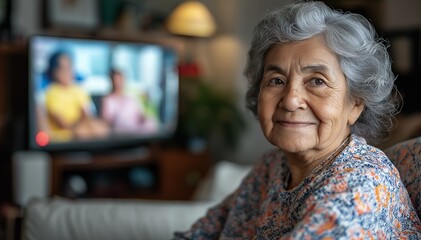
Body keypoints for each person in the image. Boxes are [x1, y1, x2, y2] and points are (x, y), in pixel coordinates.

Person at [174, 1, 421, 239]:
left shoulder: (361, 185)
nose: (291, 100)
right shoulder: (273, 166)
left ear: (355, 104)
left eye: (317, 81)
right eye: (276, 80)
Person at [44, 50, 108, 141]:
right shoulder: (51, 92)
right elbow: (63, 124)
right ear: (54, 72)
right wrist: (82, 127)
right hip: (64, 137)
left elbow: (86, 114)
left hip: (82, 130)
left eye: (69, 67)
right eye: (62, 68)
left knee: (101, 128)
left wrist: (88, 125)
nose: (67, 72)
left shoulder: (78, 89)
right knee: (83, 132)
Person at [101, 69, 158, 135]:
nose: (119, 83)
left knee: (151, 123)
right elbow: (106, 121)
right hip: (120, 130)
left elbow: (140, 114)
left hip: (135, 128)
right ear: (112, 82)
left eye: (120, 80)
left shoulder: (131, 97)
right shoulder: (108, 100)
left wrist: (145, 118)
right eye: (116, 80)